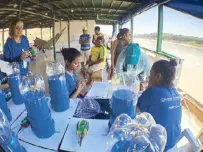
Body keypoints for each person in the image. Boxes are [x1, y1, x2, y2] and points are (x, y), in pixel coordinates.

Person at [137, 59, 182, 151]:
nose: (149, 79)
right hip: (172, 142)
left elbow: (136, 111)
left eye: (150, 76)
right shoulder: (176, 93)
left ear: (158, 76)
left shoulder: (152, 92)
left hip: (156, 145)